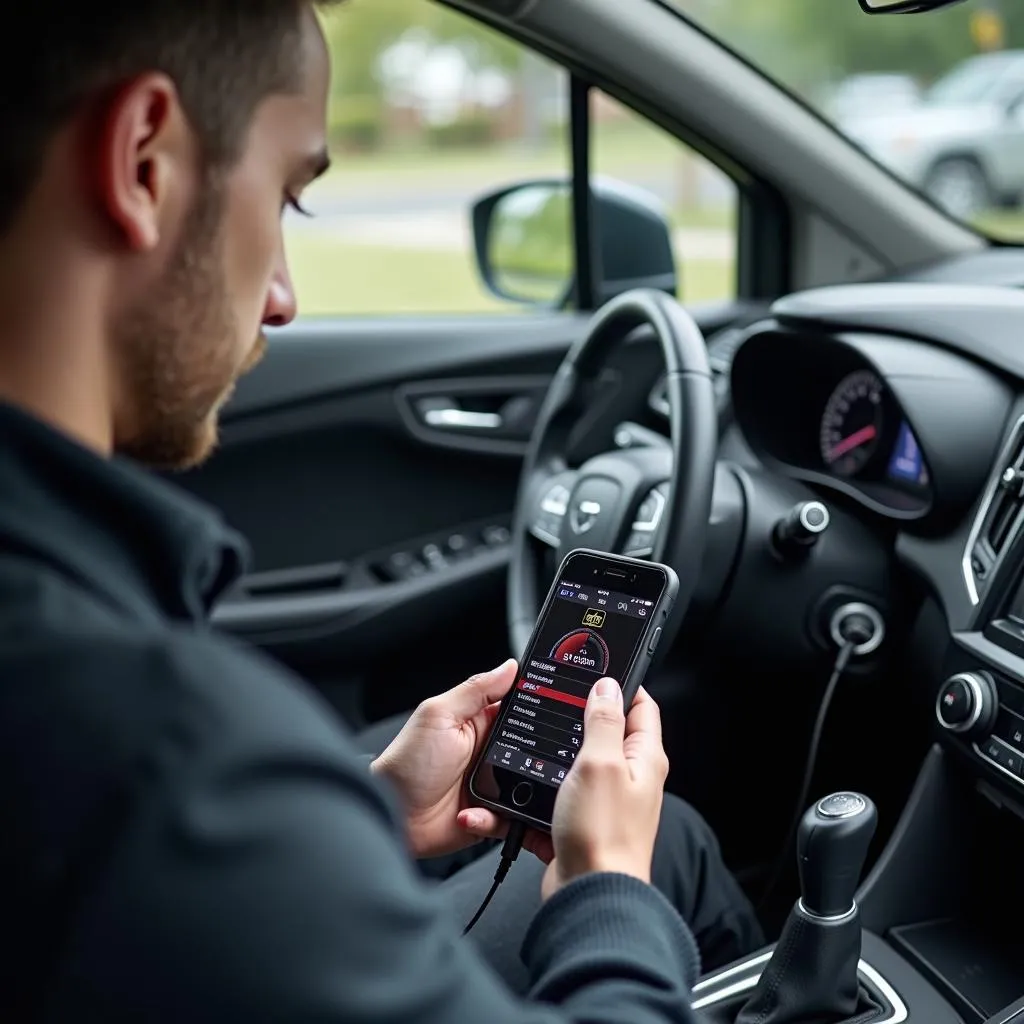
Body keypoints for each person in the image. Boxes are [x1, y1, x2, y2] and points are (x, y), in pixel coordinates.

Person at [0, 2, 762, 1020]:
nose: (282, 296)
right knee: (664, 843)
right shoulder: (164, 751)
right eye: (286, 197)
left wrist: (361, 815)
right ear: (144, 159)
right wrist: (605, 888)